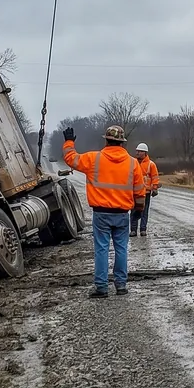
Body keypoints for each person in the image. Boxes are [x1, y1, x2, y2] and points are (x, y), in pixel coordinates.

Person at [63, 124, 146, 297]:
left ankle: (101, 288)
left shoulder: (94, 159)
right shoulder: (133, 163)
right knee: (121, 248)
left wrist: (69, 142)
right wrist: (139, 210)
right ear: (122, 142)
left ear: (107, 140)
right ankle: (121, 286)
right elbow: (139, 191)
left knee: (101, 249)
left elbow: (71, 159)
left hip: (101, 213)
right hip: (122, 214)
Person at [131, 142, 161, 236]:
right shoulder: (133, 163)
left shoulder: (151, 164)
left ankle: (143, 229)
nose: (137, 153)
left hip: (146, 192)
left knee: (144, 211)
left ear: (145, 153)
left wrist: (155, 188)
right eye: (137, 151)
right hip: (134, 191)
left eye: (140, 151)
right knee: (133, 211)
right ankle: (133, 230)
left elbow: (155, 177)